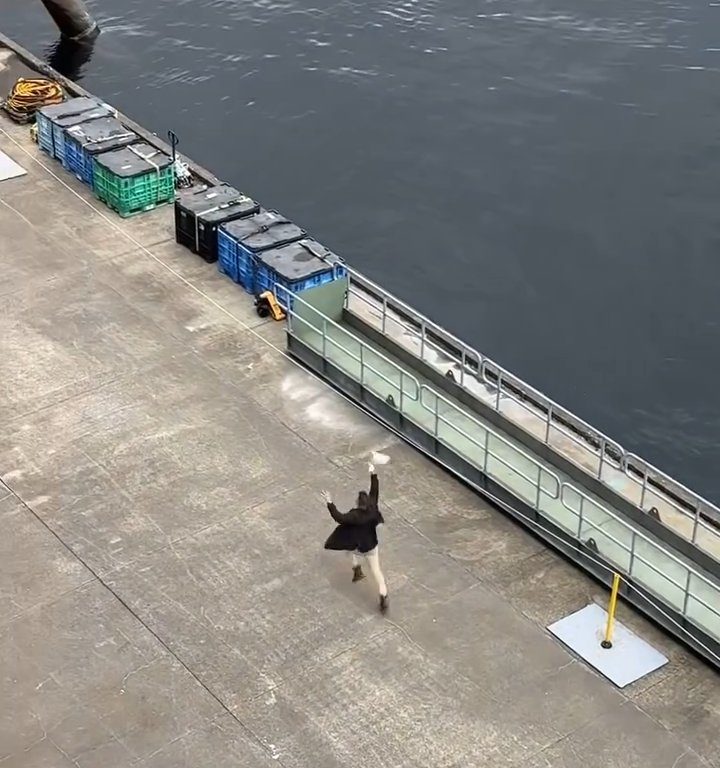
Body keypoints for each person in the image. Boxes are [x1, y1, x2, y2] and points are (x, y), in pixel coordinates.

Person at [322, 461, 388, 613]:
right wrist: (373, 472)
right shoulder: (373, 509)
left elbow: (339, 517)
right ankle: (383, 593)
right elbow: (375, 490)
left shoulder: (354, 516)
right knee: (377, 572)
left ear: (358, 503)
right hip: (372, 546)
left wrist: (329, 502)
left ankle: (356, 568)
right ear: (369, 502)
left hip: (359, 546)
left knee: (348, 549)